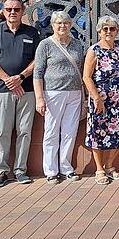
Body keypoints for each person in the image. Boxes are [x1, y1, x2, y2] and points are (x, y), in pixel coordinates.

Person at [0, 0, 40, 187]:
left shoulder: (32, 32)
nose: (12, 12)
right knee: (3, 132)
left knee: (24, 131)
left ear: (22, 11)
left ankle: (20, 170)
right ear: (3, 11)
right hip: (3, 89)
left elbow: (37, 60)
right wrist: (8, 79)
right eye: (8, 9)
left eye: (16, 9)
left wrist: (21, 77)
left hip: (27, 89)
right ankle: (1, 171)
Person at [83, 15, 119, 185]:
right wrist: (96, 97)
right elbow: (87, 77)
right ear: (100, 32)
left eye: (112, 28)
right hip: (100, 98)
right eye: (105, 29)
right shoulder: (94, 50)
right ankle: (99, 169)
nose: (109, 32)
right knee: (98, 132)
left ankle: (109, 165)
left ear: (117, 31)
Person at [33, 11, 85, 184]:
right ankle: (50, 170)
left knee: (70, 131)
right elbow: (38, 72)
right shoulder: (45, 45)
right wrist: (39, 98)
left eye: (66, 23)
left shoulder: (77, 44)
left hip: (75, 92)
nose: (62, 26)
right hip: (53, 92)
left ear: (70, 25)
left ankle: (66, 167)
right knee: (52, 131)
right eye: (58, 23)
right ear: (53, 25)